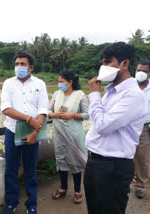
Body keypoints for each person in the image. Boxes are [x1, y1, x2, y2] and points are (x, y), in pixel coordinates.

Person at [84, 42, 145, 214]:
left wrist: (95, 94)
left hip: (113, 167)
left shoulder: (133, 95)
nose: (103, 67)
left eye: (107, 62)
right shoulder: (111, 91)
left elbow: (103, 125)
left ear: (124, 64)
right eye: (102, 63)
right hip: (95, 162)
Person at [0, 51, 48, 214]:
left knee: (30, 171)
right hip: (12, 132)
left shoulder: (39, 84)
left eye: (23, 64)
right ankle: (11, 203)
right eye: (17, 64)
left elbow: (43, 109)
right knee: (11, 170)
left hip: (33, 133)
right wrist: (28, 119)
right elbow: (6, 108)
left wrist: (35, 132)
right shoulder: (8, 83)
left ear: (31, 67)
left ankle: (31, 205)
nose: (19, 67)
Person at [49, 70, 89, 204]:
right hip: (58, 132)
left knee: (75, 161)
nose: (59, 84)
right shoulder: (56, 94)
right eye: (58, 81)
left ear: (70, 82)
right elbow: (48, 111)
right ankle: (63, 188)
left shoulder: (80, 95)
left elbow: (87, 114)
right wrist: (55, 115)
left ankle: (77, 191)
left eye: (61, 81)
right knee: (61, 159)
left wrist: (72, 115)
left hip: (74, 133)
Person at [133, 59, 150, 198]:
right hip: (128, 126)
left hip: (146, 127)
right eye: (138, 70)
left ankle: (141, 185)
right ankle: (126, 180)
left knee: (144, 157)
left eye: (144, 71)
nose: (140, 73)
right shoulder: (129, 85)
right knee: (126, 154)